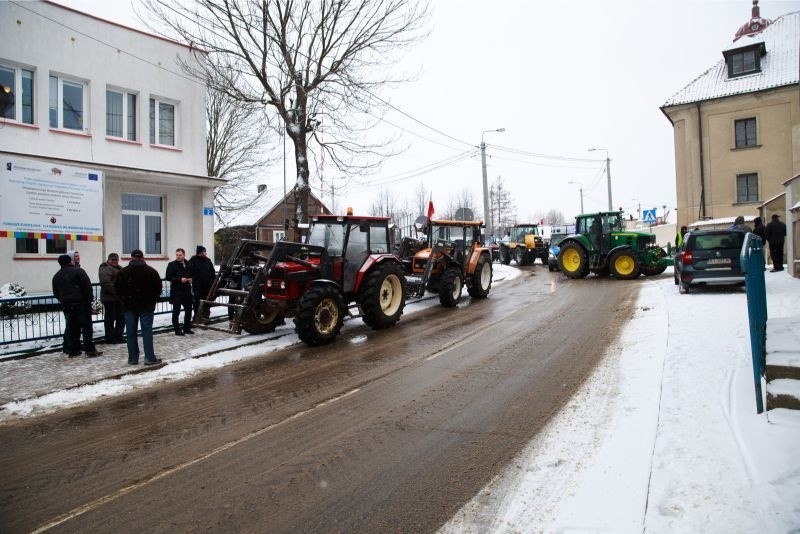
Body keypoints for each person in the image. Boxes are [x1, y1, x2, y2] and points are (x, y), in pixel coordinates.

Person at [115, 249, 163, 365]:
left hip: (129, 306)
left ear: (131, 258)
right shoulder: (151, 272)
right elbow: (158, 289)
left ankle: (132, 358)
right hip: (146, 306)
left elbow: (117, 289)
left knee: (131, 332)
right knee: (147, 331)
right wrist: (152, 300)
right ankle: (149, 357)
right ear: (142, 257)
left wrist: (124, 300)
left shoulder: (123, 272)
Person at [52, 254, 102, 358]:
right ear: (70, 261)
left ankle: (74, 350)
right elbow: (87, 287)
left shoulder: (57, 276)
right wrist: (89, 300)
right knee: (87, 328)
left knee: (73, 328)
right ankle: (90, 350)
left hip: (67, 306)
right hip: (81, 304)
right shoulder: (79, 271)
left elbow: (56, 293)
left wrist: (64, 301)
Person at [166, 248, 194, 335]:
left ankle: (187, 328)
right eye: (177, 255)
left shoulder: (189, 264)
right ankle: (177, 330)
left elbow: (193, 274)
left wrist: (191, 279)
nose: (178, 256)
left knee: (189, 310)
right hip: (177, 291)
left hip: (187, 291)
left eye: (180, 255)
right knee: (176, 311)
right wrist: (179, 279)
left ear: (184, 255)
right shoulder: (172, 264)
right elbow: (168, 277)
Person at [98, 252, 125, 344]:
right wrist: (117, 292)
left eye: (116, 259)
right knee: (110, 319)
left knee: (121, 317)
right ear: (108, 260)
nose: (115, 261)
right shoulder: (105, 268)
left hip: (118, 298)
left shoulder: (118, 268)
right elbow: (105, 283)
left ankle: (118, 336)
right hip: (109, 297)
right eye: (113, 260)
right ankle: (110, 338)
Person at [189, 245, 216, 324]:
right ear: (200, 252)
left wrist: (213, 282)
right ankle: (197, 318)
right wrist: (192, 278)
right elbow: (189, 271)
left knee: (207, 303)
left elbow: (212, 272)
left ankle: (205, 318)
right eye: (204, 251)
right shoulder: (193, 260)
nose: (205, 253)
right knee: (197, 303)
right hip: (197, 286)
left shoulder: (208, 260)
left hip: (208, 287)